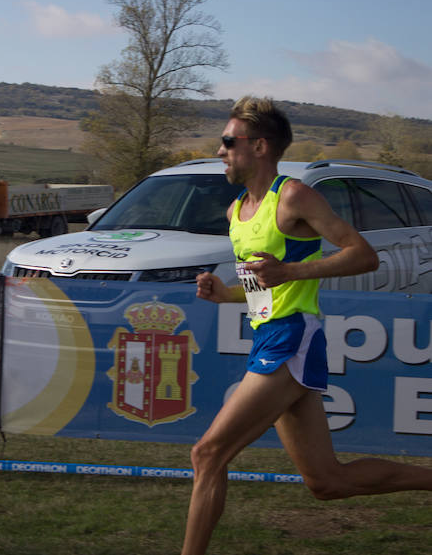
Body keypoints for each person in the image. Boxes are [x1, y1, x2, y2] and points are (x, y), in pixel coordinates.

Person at [184, 96, 432, 555]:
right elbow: (262, 288)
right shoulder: (236, 212)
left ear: (259, 147)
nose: (219, 151)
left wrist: (293, 272)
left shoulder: (293, 195)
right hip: (269, 336)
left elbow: (363, 254)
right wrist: (225, 294)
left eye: (227, 141)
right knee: (327, 482)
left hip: (292, 338)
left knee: (208, 453)